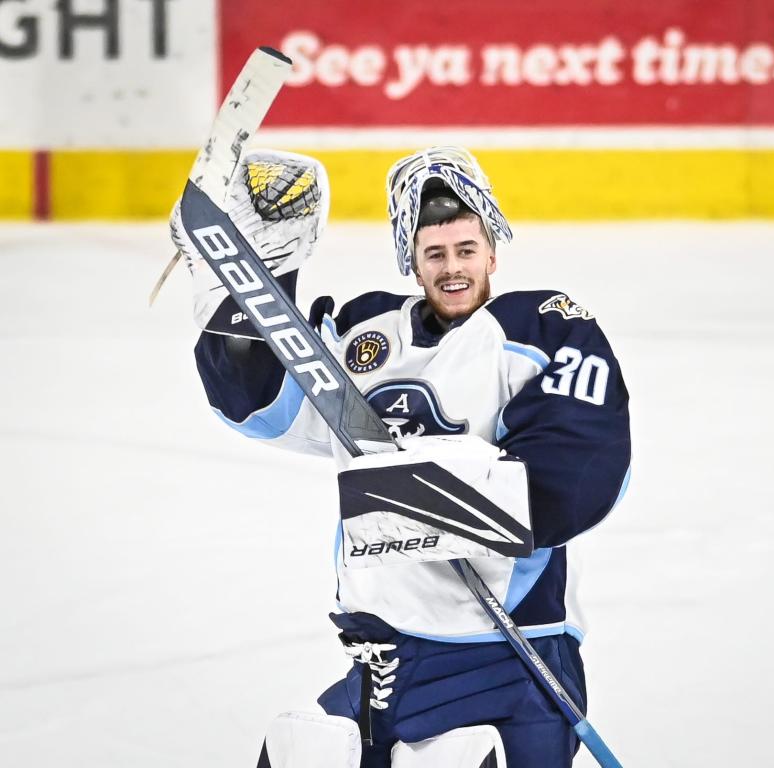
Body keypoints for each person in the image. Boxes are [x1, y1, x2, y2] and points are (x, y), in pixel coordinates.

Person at [170, 146, 631, 767]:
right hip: (385, 666)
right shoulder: (366, 334)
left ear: (492, 250)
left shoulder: (546, 328)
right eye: (434, 254)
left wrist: (406, 499)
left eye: (467, 250)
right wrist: (248, 289)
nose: (453, 268)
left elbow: (576, 481)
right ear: (411, 261)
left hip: (512, 659)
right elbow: (259, 407)